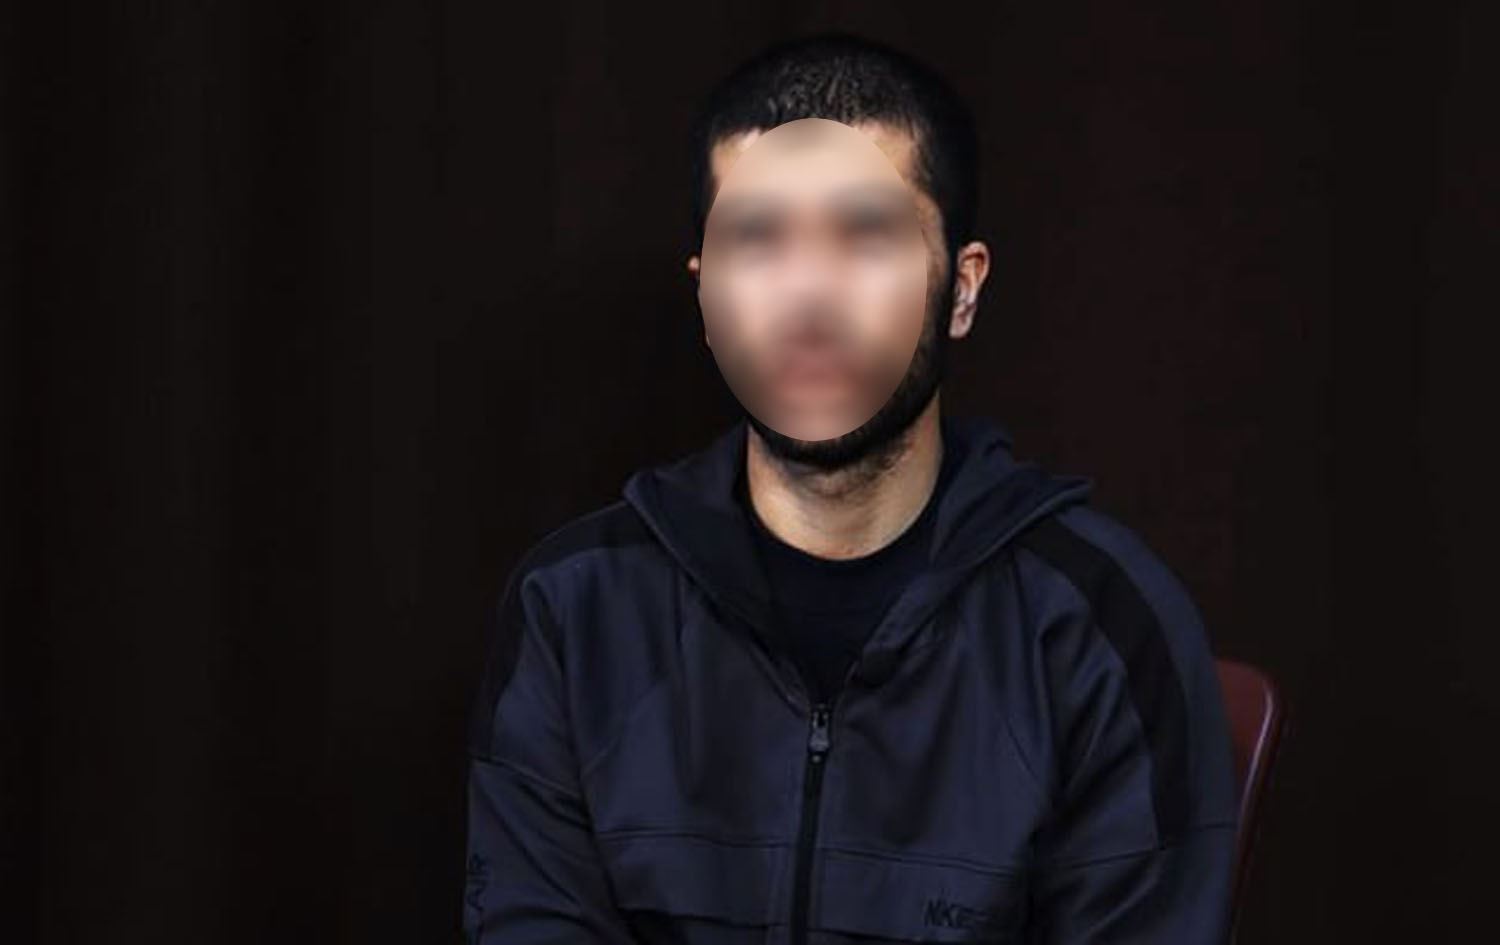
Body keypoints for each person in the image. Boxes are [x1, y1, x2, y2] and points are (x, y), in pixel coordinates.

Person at [463, 30, 1238, 945]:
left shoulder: (1103, 623)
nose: (809, 294)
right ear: (706, 297)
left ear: (962, 289)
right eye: (758, 238)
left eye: (866, 233)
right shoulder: (576, 608)